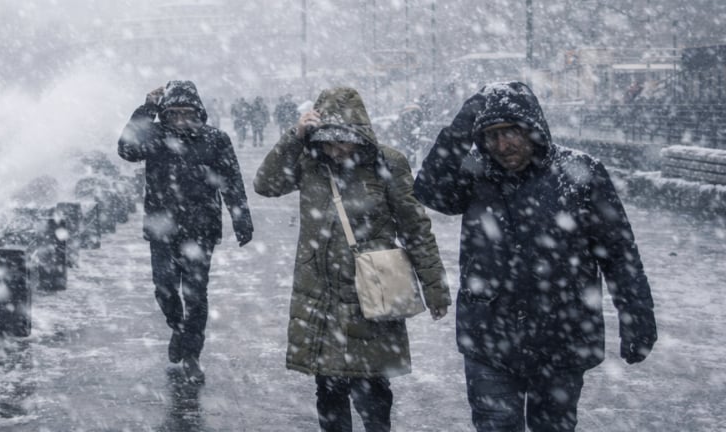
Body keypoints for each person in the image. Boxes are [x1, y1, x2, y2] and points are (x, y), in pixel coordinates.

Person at [414, 81, 656, 432]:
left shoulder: (581, 174)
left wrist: (638, 319)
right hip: (489, 338)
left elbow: (619, 254)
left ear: (533, 129)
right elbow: (429, 189)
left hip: (562, 336)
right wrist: (464, 123)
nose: (503, 144)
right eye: (492, 135)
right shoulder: (477, 173)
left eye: (512, 131)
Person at [254, 86, 450, 432]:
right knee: (328, 389)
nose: (335, 149)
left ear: (360, 134)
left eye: (343, 140)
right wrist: (295, 136)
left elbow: (415, 227)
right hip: (320, 296)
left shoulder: (388, 163)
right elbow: (265, 184)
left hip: (371, 293)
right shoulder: (310, 161)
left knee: (372, 388)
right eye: (327, 141)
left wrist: (435, 288)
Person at [117, 80, 254, 384]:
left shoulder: (216, 140)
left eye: (186, 113)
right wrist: (147, 109)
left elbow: (232, 180)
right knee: (164, 287)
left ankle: (192, 353)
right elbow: (126, 149)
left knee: (196, 294)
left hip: (201, 229)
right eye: (173, 113)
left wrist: (241, 218)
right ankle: (178, 328)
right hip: (161, 228)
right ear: (165, 114)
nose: (180, 119)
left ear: (199, 112)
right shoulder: (154, 136)